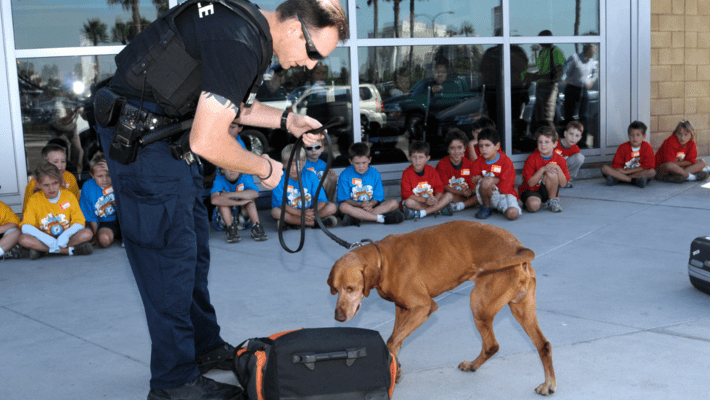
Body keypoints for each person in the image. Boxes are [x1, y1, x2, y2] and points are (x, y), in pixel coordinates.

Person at [92, 0, 348, 398]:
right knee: (168, 261)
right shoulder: (239, 40)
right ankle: (174, 383)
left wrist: (288, 120)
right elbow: (208, 139)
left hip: (168, 141)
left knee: (192, 251)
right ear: (297, 29)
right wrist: (264, 169)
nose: (312, 65)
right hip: (146, 146)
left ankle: (205, 347)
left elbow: (232, 105)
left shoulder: (248, 30)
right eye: (314, 53)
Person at [18, 162, 93, 260]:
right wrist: (45, 238)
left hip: (67, 238)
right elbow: (26, 227)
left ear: (60, 181)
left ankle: (43, 251)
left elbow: (80, 222)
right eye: (46, 185)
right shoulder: (34, 199)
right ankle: (70, 251)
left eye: (55, 183)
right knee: (23, 239)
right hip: (44, 239)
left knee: (87, 233)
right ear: (38, 185)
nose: (51, 188)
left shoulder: (68, 196)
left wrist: (67, 234)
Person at [336, 142, 404, 226]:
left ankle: (358, 217)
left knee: (394, 203)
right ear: (351, 161)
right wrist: (361, 205)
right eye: (357, 163)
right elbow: (345, 199)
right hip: (355, 206)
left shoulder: (375, 173)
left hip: (371, 206)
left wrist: (370, 204)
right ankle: (381, 218)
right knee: (343, 207)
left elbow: (378, 197)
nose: (361, 166)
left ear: (369, 160)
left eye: (364, 162)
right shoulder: (345, 174)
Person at [271, 144, 338, 229]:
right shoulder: (278, 178)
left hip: (310, 211)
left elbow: (321, 200)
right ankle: (314, 223)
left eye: (298, 164)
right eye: (290, 164)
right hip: (291, 211)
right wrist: (301, 213)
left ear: (304, 162)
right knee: (275, 212)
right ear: (283, 164)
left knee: (332, 207)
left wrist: (312, 212)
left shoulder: (311, 175)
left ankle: (292, 222)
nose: (294, 168)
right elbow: (281, 204)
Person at [471, 128, 521, 220]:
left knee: (513, 214)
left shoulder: (506, 162)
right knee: (486, 181)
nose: (484, 149)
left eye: (487, 145)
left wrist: (492, 183)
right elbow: (474, 188)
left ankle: (500, 208)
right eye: (481, 146)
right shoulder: (477, 163)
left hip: (504, 195)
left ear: (497, 146)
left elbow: (508, 185)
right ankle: (487, 207)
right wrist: (485, 182)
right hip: (486, 197)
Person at [518, 125, 570, 213]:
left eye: (547, 142)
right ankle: (528, 202)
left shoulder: (560, 160)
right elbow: (530, 184)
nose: (543, 145)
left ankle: (552, 200)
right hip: (531, 190)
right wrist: (542, 170)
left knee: (552, 173)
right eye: (540, 142)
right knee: (534, 206)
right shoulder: (531, 159)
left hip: (548, 190)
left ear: (554, 144)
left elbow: (563, 184)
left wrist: (558, 168)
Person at [400, 140, 455, 219]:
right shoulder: (407, 173)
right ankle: (438, 210)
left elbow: (439, 187)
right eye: (414, 157)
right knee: (409, 202)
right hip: (419, 201)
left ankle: (422, 213)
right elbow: (406, 194)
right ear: (409, 157)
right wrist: (425, 200)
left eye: (421, 157)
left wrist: (436, 199)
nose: (417, 160)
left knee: (449, 196)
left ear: (427, 158)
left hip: (431, 201)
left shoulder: (431, 170)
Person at [211, 166, 267, 243]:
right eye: (228, 166)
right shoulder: (219, 178)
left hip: (242, 221)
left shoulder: (245, 176)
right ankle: (230, 230)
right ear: (222, 170)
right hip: (224, 222)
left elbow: (255, 193)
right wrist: (238, 202)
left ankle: (256, 227)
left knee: (249, 200)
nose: (232, 169)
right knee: (222, 202)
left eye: (235, 166)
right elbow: (214, 200)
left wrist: (229, 194)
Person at [23, 143, 80, 213]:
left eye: (63, 161)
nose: (60, 165)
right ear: (46, 162)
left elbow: (76, 202)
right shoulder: (34, 183)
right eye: (55, 161)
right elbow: (27, 211)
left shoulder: (70, 178)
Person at [79, 152, 120, 248]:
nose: (105, 179)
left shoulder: (118, 182)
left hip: (123, 220)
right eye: (100, 176)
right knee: (104, 240)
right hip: (106, 222)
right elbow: (90, 215)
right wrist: (95, 235)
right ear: (92, 175)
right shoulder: (88, 187)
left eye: (108, 175)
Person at [600, 121, 656, 188]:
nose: (634, 138)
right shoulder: (623, 147)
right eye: (632, 135)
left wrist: (627, 172)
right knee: (604, 168)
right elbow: (616, 166)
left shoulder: (647, 147)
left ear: (644, 136)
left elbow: (648, 166)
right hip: (622, 172)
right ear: (628, 136)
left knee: (652, 172)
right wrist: (622, 171)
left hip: (637, 173)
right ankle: (633, 181)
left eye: (638, 135)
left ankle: (619, 179)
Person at [562, 43, 598, 148]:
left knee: (584, 116)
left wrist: (591, 80)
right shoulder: (575, 58)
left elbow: (595, 72)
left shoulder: (592, 61)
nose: (595, 53)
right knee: (569, 116)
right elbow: (565, 68)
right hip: (572, 89)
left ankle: (582, 142)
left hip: (583, 90)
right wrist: (565, 78)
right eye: (594, 51)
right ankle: (567, 142)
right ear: (589, 51)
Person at [530, 30, 565, 134]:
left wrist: (551, 77)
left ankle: (554, 139)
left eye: (541, 38)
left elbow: (560, 70)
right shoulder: (541, 52)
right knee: (538, 116)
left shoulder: (555, 52)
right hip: (541, 86)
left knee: (548, 117)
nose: (539, 41)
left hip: (549, 87)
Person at [435, 128, 478, 211]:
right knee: (448, 196)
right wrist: (460, 192)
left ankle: (461, 205)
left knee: (480, 195)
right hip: (452, 195)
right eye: (452, 148)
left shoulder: (469, 164)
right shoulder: (442, 164)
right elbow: (445, 186)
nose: (456, 152)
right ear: (448, 149)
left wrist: (470, 191)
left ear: (464, 148)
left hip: (465, 196)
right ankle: (465, 205)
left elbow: (472, 185)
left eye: (459, 147)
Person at [304, 138, 338, 202]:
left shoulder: (323, 164)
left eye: (317, 147)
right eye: (309, 148)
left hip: (321, 192)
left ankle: (327, 202)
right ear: (304, 150)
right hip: (307, 192)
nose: (313, 150)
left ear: (322, 148)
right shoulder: (303, 164)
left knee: (332, 177)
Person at [554, 120, 586, 187]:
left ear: (580, 138)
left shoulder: (575, 149)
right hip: (551, 170)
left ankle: (566, 180)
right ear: (565, 133)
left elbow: (574, 162)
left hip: (563, 171)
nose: (573, 138)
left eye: (577, 136)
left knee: (580, 157)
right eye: (571, 134)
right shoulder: (555, 144)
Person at [0, 192, 23, 260]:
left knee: (16, 232)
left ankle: (4, 250)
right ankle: (6, 250)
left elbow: (15, 223)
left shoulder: (1, 207)